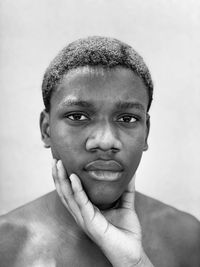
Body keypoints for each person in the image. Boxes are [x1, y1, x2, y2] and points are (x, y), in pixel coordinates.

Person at [0, 36, 199, 267]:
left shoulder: (188, 238)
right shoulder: (6, 245)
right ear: (46, 129)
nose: (105, 141)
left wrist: (135, 263)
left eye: (127, 118)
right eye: (77, 116)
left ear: (146, 132)